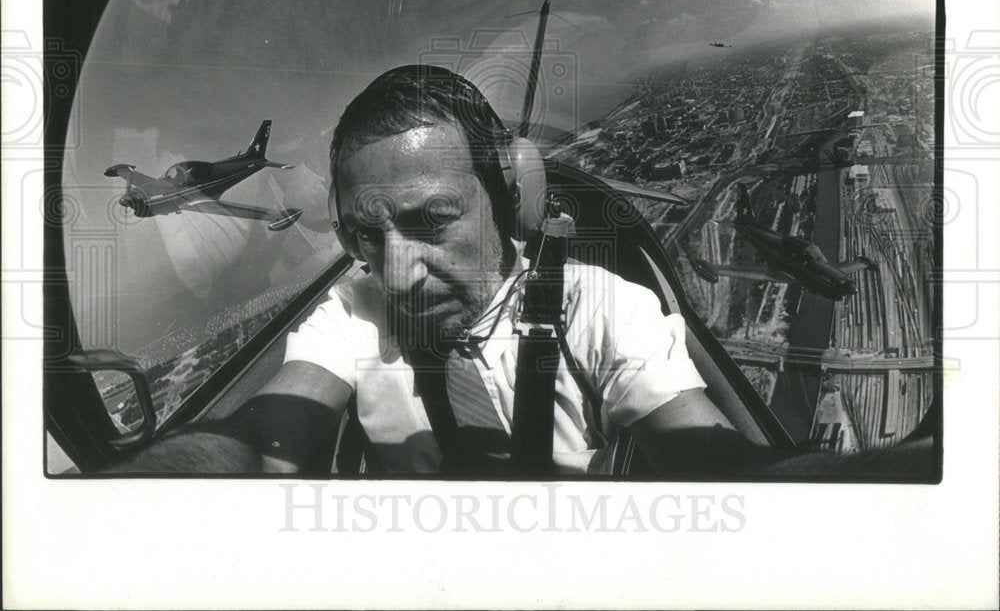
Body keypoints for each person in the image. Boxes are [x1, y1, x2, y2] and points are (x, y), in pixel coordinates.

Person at [114, 65, 933, 479]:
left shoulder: (600, 307)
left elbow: (714, 460)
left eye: (432, 223)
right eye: (367, 234)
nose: (397, 273)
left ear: (505, 202)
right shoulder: (353, 308)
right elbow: (261, 443)